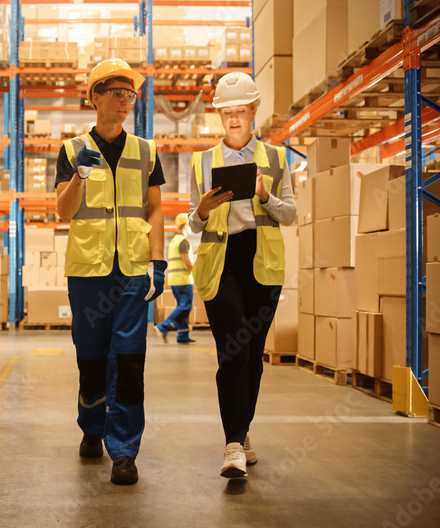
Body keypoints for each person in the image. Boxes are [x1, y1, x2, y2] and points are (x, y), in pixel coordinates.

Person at [55, 58, 167, 486]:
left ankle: (123, 450)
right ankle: (91, 427)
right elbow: (64, 212)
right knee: (91, 356)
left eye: (131, 94)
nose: (125, 101)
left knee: (130, 359)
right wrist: (79, 177)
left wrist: (158, 261)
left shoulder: (146, 151)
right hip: (88, 271)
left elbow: (155, 209)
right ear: (95, 97)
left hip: (133, 271)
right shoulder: (70, 150)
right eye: (117, 93)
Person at [188, 72, 296, 479]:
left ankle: (243, 430)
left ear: (254, 112)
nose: (233, 120)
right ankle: (233, 443)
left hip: (262, 262)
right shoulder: (202, 161)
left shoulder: (277, 158)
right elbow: (193, 224)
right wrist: (200, 210)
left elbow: (291, 214)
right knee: (232, 351)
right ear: (219, 115)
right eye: (226, 113)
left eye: (240, 112)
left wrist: (266, 197)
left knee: (252, 357)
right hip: (222, 262)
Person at [155, 213, 195, 344]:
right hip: (183, 280)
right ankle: (163, 327)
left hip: (175, 280)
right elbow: (187, 262)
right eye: (189, 224)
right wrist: (198, 273)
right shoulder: (183, 242)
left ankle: (183, 336)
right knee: (185, 306)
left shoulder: (174, 241)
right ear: (184, 225)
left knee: (181, 307)